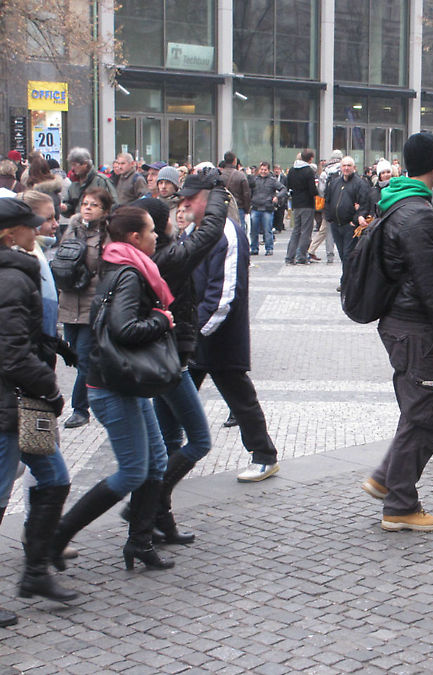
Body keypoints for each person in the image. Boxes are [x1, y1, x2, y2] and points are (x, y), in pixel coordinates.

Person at [50, 206, 177, 572]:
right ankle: (57, 536)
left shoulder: (121, 264)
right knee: (133, 472)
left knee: (156, 461)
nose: (157, 236)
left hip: (123, 381)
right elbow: (124, 330)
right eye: (152, 231)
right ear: (134, 238)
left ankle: (139, 541)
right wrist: (161, 319)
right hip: (111, 385)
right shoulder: (128, 274)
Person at [360, 132, 433, 532]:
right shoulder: (418, 213)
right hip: (413, 326)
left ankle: (388, 476)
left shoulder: (397, 200)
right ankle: (400, 504)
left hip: (404, 323)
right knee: (425, 409)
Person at [130, 191, 227, 544]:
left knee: (170, 440)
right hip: (170, 362)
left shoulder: (155, 253)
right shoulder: (168, 257)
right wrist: (218, 195)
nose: (178, 214)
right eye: (170, 214)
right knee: (199, 440)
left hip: (166, 357)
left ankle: (159, 520)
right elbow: (210, 233)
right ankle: (147, 502)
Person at [0, 200, 76, 627]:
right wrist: (49, 389)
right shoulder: (10, 277)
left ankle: (34, 573)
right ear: (10, 236)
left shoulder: (16, 272)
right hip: (12, 405)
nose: (39, 232)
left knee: (55, 477)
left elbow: (21, 336)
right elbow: (11, 355)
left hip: (19, 403)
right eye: (30, 227)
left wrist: (54, 348)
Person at [179, 173, 281, 481]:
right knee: (174, 396)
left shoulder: (227, 232)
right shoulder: (190, 231)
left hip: (218, 335)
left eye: (190, 199)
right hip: (191, 331)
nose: (184, 204)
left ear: (208, 199)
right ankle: (165, 456)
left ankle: (264, 455)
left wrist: (196, 331)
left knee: (240, 398)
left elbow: (225, 293)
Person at [57, 188, 114, 429]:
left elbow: (109, 269)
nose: (87, 208)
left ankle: (80, 408)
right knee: (75, 356)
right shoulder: (72, 229)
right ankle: (100, 392)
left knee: (84, 358)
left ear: (105, 210)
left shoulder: (107, 235)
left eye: (94, 205)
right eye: (85, 204)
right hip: (69, 302)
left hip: (92, 304)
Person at [324, 156, 370, 273]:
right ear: (340, 167)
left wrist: (354, 221)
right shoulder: (334, 183)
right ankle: (348, 280)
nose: (346, 168)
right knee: (342, 253)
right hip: (336, 225)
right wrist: (329, 217)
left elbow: (364, 204)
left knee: (348, 255)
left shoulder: (360, 184)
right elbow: (328, 200)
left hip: (350, 226)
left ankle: (346, 283)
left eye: (349, 165)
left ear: (354, 168)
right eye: (344, 165)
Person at [61, 147, 117, 217]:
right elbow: (71, 206)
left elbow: (113, 204)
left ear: (85, 164)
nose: (72, 168)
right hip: (80, 224)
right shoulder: (74, 183)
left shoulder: (101, 180)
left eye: (75, 165)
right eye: (72, 165)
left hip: (98, 224)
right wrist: (65, 208)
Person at [284, 150, 318, 265]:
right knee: (306, 232)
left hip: (296, 204)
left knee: (296, 231)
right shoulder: (308, 171)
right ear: (310, 159)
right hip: (307, 204)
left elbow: (289, 186)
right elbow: (312, 190)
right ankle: (301, 256)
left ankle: (289, 256)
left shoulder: (292, 170)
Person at [248, 162, 287, 256]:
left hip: (267, 208)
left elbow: (283, 189)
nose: (263, 171)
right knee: (253, 230)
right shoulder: (254, 180)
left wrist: (277, 197)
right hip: (255, 207)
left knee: (267, 230)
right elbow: (249, 190)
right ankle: (254, 248)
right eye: (261, 169)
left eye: (265, 170)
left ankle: (269, 248)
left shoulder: (272, 180)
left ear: (268, 170)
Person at [221, 151, 251, 229]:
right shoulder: (241, 176)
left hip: (222, 208)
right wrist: (247, 210)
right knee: (239, 231)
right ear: (235, 161)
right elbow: (246, 194)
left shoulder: (219, 175)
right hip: (238, 208)